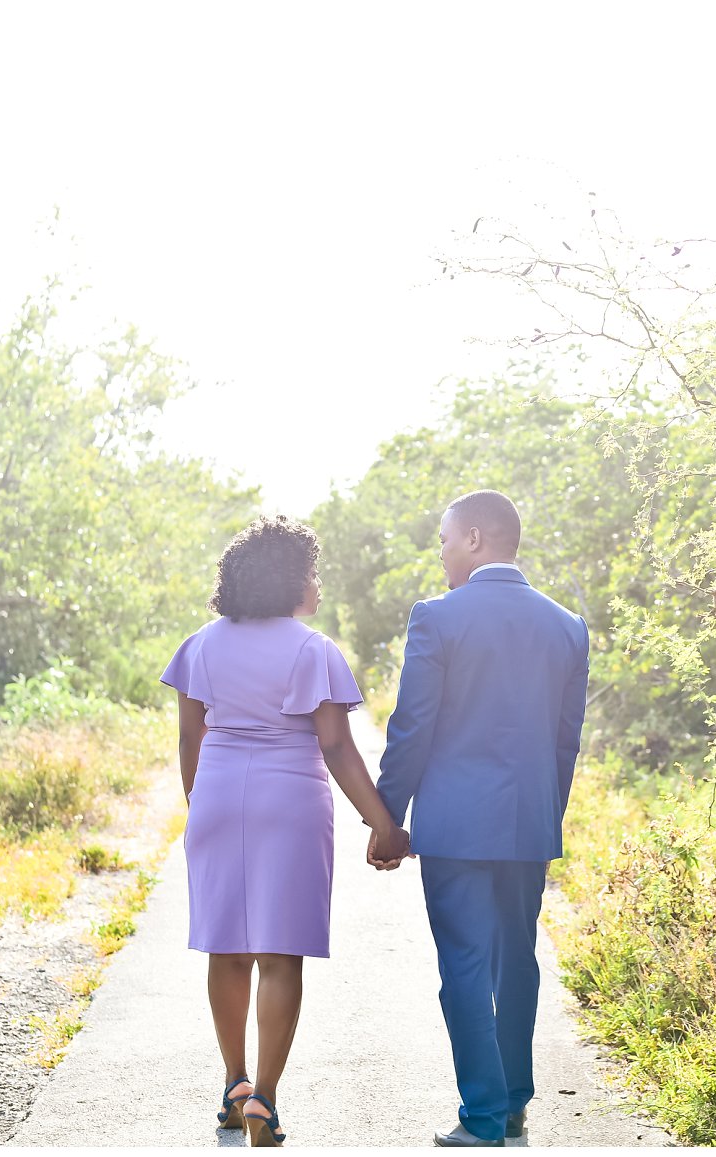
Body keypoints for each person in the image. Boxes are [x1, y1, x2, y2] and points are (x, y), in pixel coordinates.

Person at [161, 515, 410, 1147]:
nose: (317, 584)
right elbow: (335, 747)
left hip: (217, 795)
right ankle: (264, 1103)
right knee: (278, 954)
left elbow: (191, 739)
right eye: (313, 572)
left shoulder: (201, 645)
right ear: (292, 579)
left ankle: (234, 1083)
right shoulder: (313, 650)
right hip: (290, 801)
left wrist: (203, 804)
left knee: (226, 946)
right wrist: (382, 823)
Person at [373, 489, 591, 1148]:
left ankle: (483, 1117)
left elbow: (413, 725)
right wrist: (545, 813)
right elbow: (565, 738)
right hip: (528, 822)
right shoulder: (567, 626)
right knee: (516, 961)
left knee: (466, 964)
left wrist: (388, 818)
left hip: (456, 827)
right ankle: (515, 1102)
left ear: (473, 539)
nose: (440, 553)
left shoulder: (438, 618)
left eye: (444, 539)